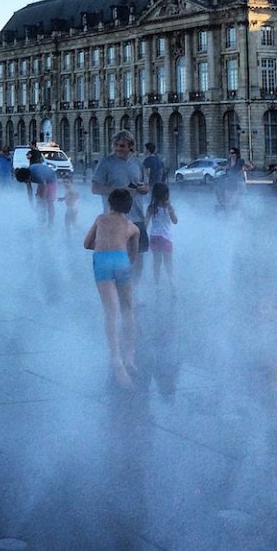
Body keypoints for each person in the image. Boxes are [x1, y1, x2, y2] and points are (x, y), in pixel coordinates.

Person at [84, 188, 138, 387]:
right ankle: (130, 356)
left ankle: (116, 359)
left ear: (109, 204)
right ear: (128, 208)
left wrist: (102, 247)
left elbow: (86, 243)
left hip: (102, 261)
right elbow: (133, 257)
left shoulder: (100, 219)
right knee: (128, 308)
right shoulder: (133, 227)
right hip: (122, 260)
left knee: (110, 312)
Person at [92, 132, 149, 280]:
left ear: (131, 146)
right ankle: (120, 288)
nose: (118, 149)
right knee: (118, 256)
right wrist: (118, 190)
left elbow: (146, 187)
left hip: (137, 216)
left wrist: (144, 188)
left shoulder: (137, 163)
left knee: (138, 256)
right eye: (115, 145)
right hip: (115, 218)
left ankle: (134, 291)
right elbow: (95, 188)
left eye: (122, 146)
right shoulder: (106, 163)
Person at [146, 182, 178, 292]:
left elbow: (145, 224)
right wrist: (171, 210)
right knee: (168, 262)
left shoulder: (151, 208)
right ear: (166, 195)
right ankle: (172, 282)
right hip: (166, 237)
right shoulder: (168, 207)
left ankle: (157, 284)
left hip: (154, 237)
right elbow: (175, 221)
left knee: (156, 262)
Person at [28, 148, 57, 227]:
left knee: (49, 202)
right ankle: (41, 220)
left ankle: (51, 224)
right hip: (43, 179)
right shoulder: (28, 173)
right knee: (39, 200)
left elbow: (45, 186)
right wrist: (31, 202)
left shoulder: (37, 173)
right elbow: (29, 189)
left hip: (51, 178)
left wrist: (43, 199)